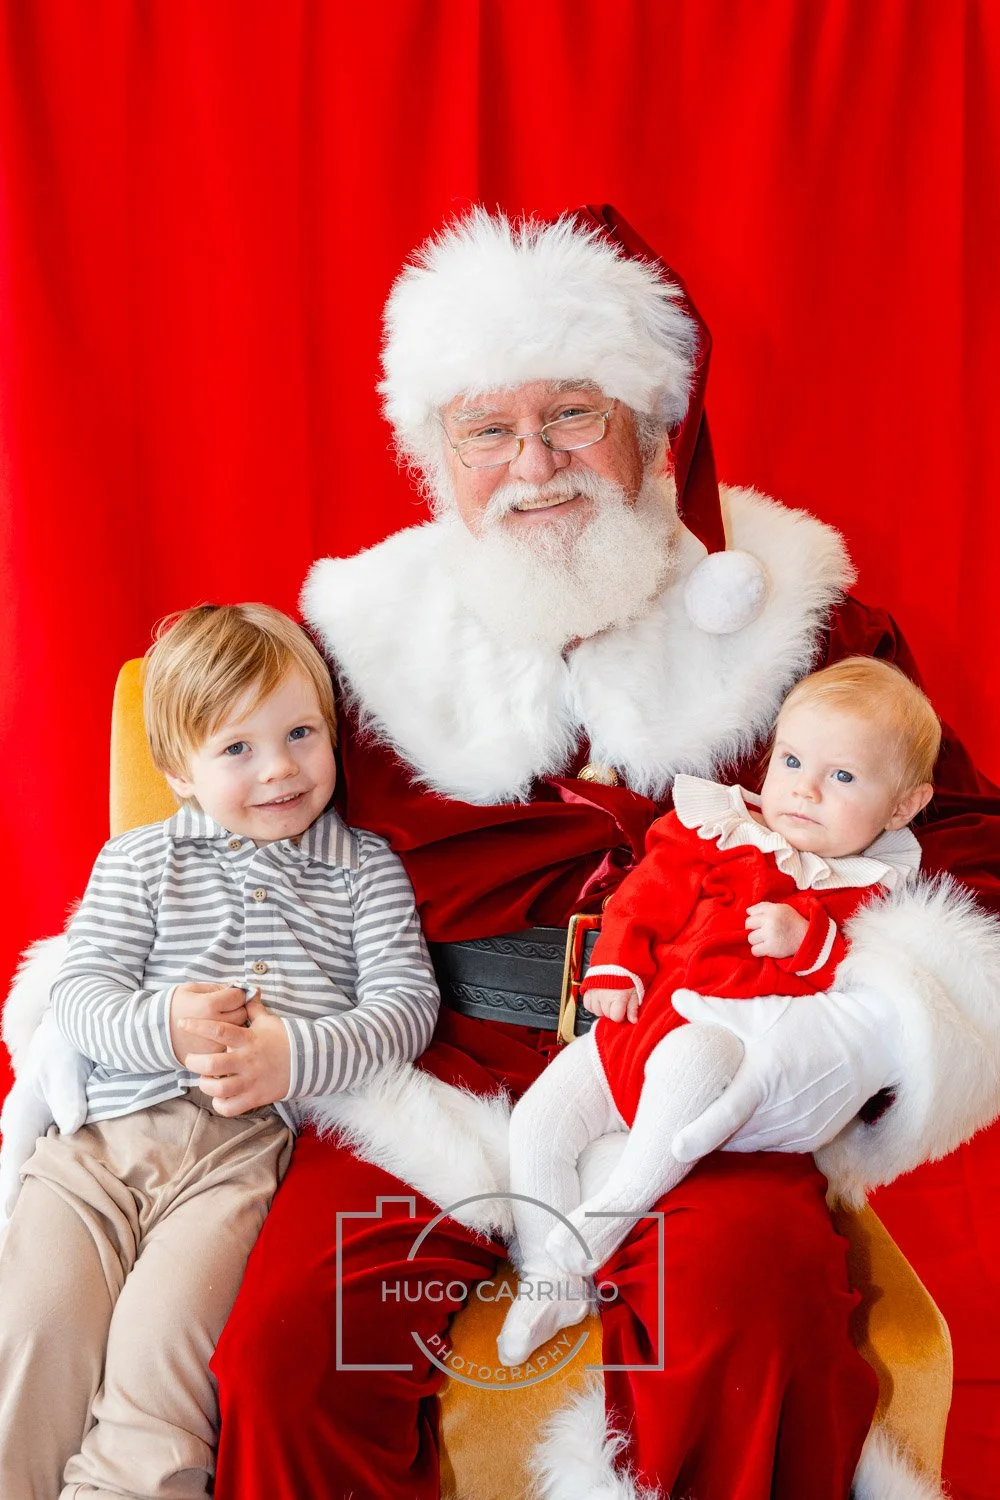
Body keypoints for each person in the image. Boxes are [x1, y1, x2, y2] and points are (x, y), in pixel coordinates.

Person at [5, 207, 1000, 1500]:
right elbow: (232, 844)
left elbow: (965, 851)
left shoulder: (801, 620)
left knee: (749, 1310)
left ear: (652, 428)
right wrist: (121, 1002)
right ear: (438, 457)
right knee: (289, 1355)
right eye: (486, 430)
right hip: (432, 1071)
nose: (532, 466)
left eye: (571, 416)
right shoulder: (363, 644)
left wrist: (869, 1029)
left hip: (695, 1072)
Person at [0, 603, 439, 1500]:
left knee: (162, 1367)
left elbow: (406, 1008)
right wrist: (161, 1022)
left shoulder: (363, 868)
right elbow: (78, 999)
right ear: (179, 771)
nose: (278, 768)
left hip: (239, 1160)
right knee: (34, 1332)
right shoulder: (138, 861)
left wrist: (295, 1055)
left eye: (299, 734)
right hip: (98, 1148)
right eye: (236, 748)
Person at [497, 657, 940, 1366]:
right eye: (792, 760)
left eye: (843, 777)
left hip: (722, 1066)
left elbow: (866, 988)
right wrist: (614, 966)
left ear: (902, 807)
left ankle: (606, 1221)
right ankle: (549, 1276)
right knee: (539, 1122)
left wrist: (811, 943)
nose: (804, 789)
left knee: (694, 1055)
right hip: (631, 1036)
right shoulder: (717, 829)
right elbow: (642, 897)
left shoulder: (871, 891)